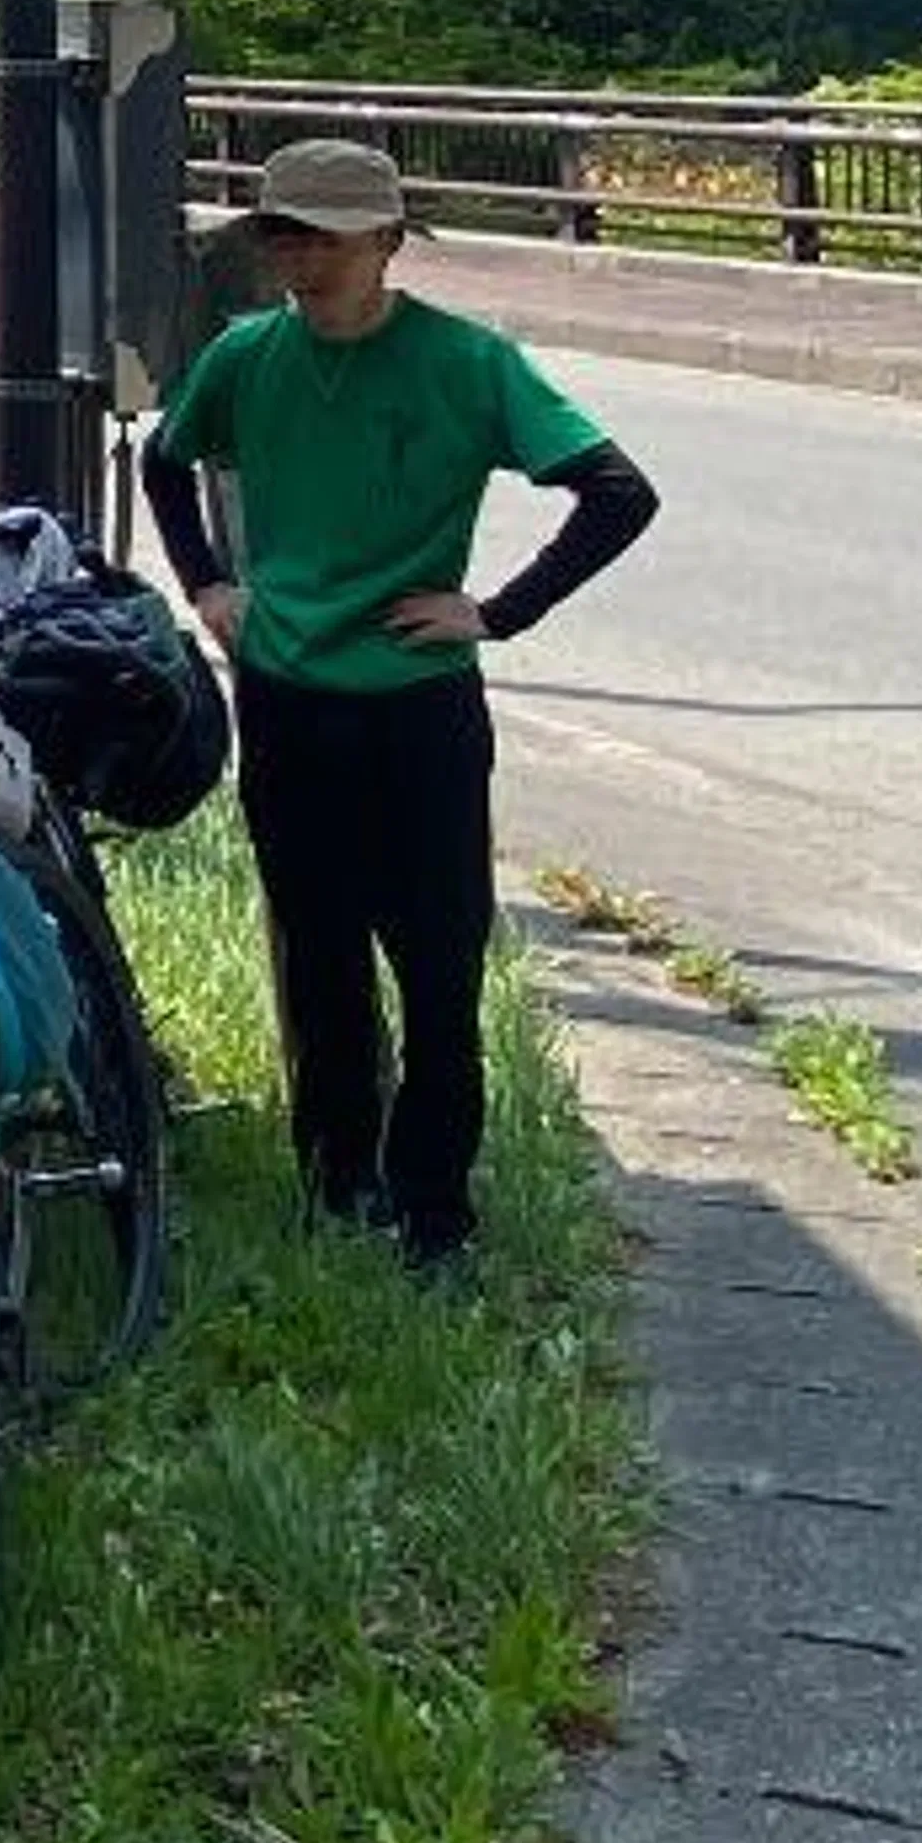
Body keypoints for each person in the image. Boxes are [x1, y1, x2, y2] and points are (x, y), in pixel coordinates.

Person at [142, 136, 658, 1268]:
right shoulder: (246, 355)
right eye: (285, 231)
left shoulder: (466, 361)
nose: (303, 254)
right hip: (286, 693)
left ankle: (435, 1211)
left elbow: (618, 492)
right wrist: (209, 585)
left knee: (437, 962)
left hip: (418, 702)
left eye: (327, 234)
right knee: (319, 955)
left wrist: (500, 610)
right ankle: (335, 1190)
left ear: (385, 241)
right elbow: (164, 456)